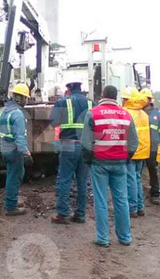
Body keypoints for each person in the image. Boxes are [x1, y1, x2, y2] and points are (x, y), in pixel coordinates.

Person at [81, 85, 139, 247]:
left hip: (99, 162)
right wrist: (126, 157)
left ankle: (103, 238)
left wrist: (89, 160)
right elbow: (134, 142)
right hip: (120, 163)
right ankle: (125, 237)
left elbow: (86, 142)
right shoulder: (126, 115)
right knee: (121, 200)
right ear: (116, 97)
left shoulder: (92, 113)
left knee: (101, 200)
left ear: (102, 95)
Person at [50, 81, 94, 224]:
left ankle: (63, 214)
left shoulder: (63, 102)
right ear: (81, 89)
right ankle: (80, 214)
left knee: (64, 179)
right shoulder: (91, 103)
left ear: (68, 89)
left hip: (68, 144)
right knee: (83, 181)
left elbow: (53, 122)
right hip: (86, 145)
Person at [0, 83, 33, 216]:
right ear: (21, 98)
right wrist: (26, 153)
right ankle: (11, 207)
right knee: (14, 177)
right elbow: (20, 137)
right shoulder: (18, 114)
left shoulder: (2, 112)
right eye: (26, 98)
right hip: (14, 151)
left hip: (5, 150)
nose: (26, 101)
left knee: (12, 175)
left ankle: (12, 201)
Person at [125, 90, 151, 218]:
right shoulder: (144, 114)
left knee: (130, 179)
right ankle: (140, 207)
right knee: (137, 178)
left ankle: (132, 208)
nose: (122, 100)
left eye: (124, 98)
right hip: (142, 151)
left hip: (131, 151)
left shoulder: (127, 113)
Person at [141, 88, 160, 205]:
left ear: (150, 100)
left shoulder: (157, 115)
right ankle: (138, 194)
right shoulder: (138, 113)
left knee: (153, 171)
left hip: (152, 149)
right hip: (140, 148)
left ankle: (155, 194)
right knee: (137, 172)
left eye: (144, 99)